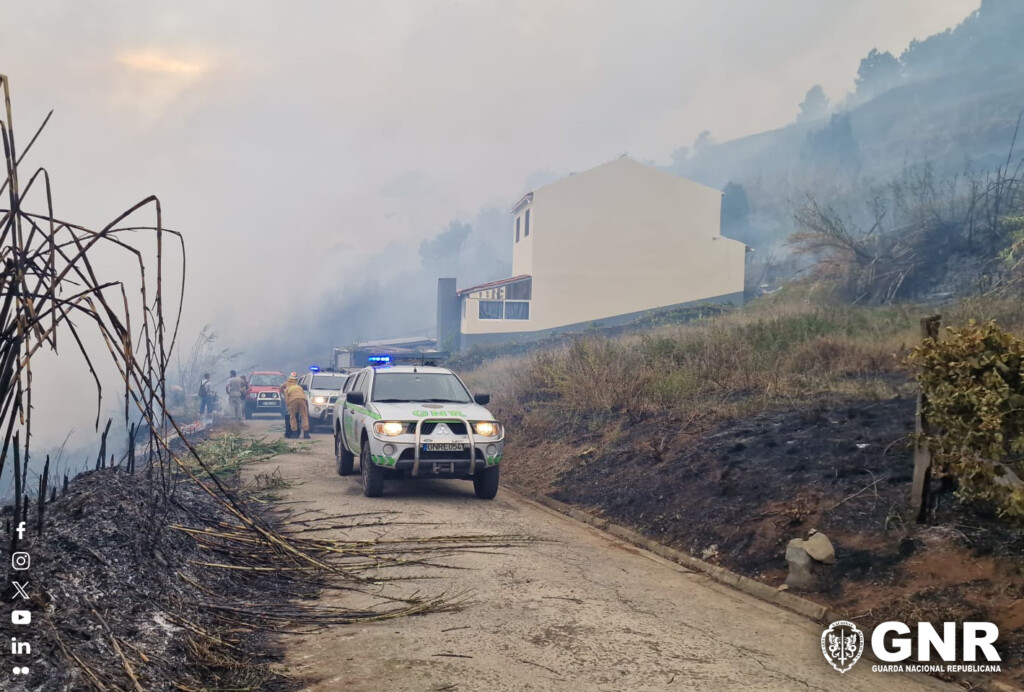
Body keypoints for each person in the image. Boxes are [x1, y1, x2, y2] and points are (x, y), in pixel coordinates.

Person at [282, 373, 310, 439]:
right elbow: (303, 395)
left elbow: (287, 400)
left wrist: (288, 408)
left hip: (293, 401)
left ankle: (294, 433)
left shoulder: (287, 388)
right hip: (302, 400)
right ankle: (306, 434)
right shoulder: (299, 387)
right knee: (304, 416)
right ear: (296, 380)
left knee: (293, 417)